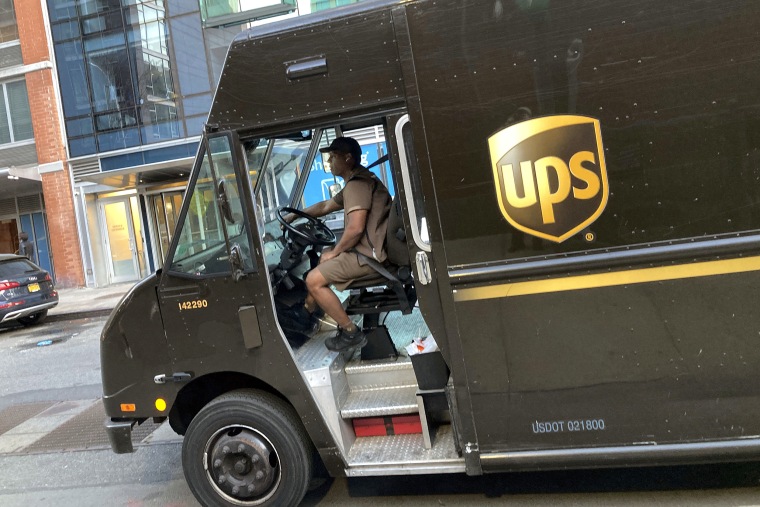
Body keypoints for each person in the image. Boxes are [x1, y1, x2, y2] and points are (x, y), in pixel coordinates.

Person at [286, 137, 391, 352]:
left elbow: (355, 229)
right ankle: (307, 311)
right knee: (322, 257)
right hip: (371, 252)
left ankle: (350, 332)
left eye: (333, 157)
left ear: (348, 158)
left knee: (313, 279)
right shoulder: (359, 181)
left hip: (370, 258)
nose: (329, 163)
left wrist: (335, 252)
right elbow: (326, 205)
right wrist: (294, 216)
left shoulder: (357, 186)